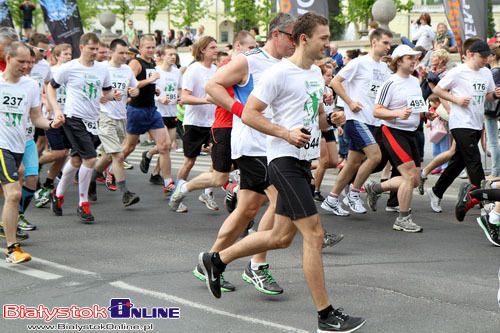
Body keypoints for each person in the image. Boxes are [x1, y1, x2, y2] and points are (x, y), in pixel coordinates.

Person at [199, 13, 366, 333]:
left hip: (302, 163)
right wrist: (284, 133)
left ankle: (216, 260)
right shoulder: (277, 74)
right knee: (314, 235)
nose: (328, 43)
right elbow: (249, 113)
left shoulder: (317, 75)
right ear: (303, 39)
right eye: (323, 38)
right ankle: (326, 316)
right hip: (282, 162)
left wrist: (333, 119)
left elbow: (316, 119)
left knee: (279, 237)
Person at [189, 13, 297, 295]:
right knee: (281, 199)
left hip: (275, 144)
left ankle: (209, 261)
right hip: (253, 146)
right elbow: (212, 86)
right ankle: (257, 265)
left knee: (247, 209)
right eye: (292, 36)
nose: (296, 42)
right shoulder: (249, 60)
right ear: (276, 34)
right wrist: (238, 109)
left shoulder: (289, 64)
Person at [169, 31, 256, 213]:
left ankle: (243, 217)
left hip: (242, 128)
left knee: (253, 174)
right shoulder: (225, 68)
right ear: (238, 46)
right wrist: (236, 107)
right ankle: (183, 188)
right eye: (251, 48)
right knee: (217, 176)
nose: (254, 52)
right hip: (222, 126)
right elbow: (209, 95)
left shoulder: (250, 67)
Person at [1, 42, 63, 263]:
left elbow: (35, 117)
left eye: (30, 62)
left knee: (11, 194)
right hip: (2, 145)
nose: (27, 66)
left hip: (20, 145)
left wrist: (51, 124)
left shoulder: (30, 86)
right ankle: (12, 248)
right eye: (21, 62)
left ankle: (6, 229)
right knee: (14, 194)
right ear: (8, 58)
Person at [321, 28, 393, 216]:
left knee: (353, 163)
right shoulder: (359, 63)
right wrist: (350, 102)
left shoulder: (384, 69)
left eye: (389, 43)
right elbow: (335, 82)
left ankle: (332, 198)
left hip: (373, 121)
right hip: (356, 119)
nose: (388, 46)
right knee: (375, 156)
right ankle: (354, 193)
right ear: (374, 42)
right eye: (385, 42)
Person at [427, 39, 500, 221]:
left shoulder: (486, 73)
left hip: (476, 122)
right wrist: (456, 100)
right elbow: (438, 89)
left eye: (487, 56)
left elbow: (488, 96)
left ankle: (436, 192)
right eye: (482, 56)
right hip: (460, 123)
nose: (485, 59)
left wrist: (495, 95)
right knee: (474, 162)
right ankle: (485, 203)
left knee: (458, 162)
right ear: (470, 54)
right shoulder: (458, 72)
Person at [48, 33, 112, 223]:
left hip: (93, 119)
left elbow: (107, 91)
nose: (95, 52)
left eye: (97, 49)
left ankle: (57, 195)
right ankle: (83, 203)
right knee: (90, 159)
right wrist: (57, 110)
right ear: (82, 47)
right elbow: (51, 88)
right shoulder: (69, 68)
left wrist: (109, 96)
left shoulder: (102, 69)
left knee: (76, 161)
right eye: (91, 49)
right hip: (73, 117)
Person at [364, 44, 426, 233]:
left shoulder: (415, 81)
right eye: (410, 58)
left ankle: (376, 188)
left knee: (415, 180)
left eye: (415, 58)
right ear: (399, 61)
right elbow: (377, 110)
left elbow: (415, 106)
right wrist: (398, 113)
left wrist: (424, 113)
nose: (414, 61)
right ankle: (403, 219)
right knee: (408, 177)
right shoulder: (390, 83)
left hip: (413, 133)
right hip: (393, 131)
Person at [169, 36, 218, 211]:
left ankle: (207, 193)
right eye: (212, 47)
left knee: (217, 158)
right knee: (190, 161)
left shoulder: (216, 70)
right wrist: (207, 101)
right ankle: (177, 194)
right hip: (194, 122)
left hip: (213, 123)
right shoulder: (193, 70)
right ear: (203, 50)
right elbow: (185, 98)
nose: (216, 50)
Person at [121, 35, 175, 194]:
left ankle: (168, 182)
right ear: (140, 48)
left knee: (164, 146)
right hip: (137, 110)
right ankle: (110, 169)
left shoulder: (151, 63)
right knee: (129, 147)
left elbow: (146, 83)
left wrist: (154, 88)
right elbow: (130, 84)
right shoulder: (135, 63)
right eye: (147, 47)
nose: (151, 50)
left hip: (152, 110)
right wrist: (149, 80)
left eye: (153, 47)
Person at [93, 38, 141, 207]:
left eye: (126, 53)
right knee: (118, 155)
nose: (124, 56)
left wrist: (134, 91)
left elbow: (134, 89)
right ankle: (125, 193)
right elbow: (94, 92)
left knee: (108, 155)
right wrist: (103, 97)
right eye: (120, 52)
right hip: (104, 115)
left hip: (122, 116)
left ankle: (91, 177)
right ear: (111, 52)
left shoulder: (127, 70)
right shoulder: (101, 69)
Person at [35, 43, 72, 208]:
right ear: (57, 56)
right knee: (59, 152)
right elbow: (45, 90)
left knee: (64, 154)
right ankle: (36, 163)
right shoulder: (53, 70)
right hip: (52, 117)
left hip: (69, 117)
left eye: (70, 54)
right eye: (65, 54)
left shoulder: (73, 71)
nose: (68, 57)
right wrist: (48, 104)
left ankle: (48, 184)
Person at [147, 44, 183, 186]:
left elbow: (179, 89)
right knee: (165, 144)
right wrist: (159, 98)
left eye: (174, 54)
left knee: (166, 148)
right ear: (161, 56)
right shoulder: (155, 71)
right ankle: (149, 154)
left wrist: (180, 98)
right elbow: (148, 90)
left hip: (172, 112)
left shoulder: (177, 72)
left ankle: (155, 173)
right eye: (169, 54)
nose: (173, 57)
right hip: (158, 112)